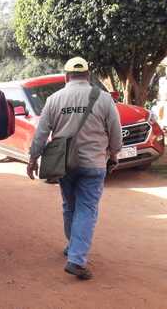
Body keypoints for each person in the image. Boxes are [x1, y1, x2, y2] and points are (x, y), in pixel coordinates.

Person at [27, 57, 122, 280]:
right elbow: (115, 132)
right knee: (87, 209)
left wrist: (33, 159)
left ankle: (73, 247)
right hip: (94, 163)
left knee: (70, 205)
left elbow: (41, 134)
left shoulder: (54, 99)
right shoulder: (103, 98)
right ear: (88, 75)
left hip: (64, 164)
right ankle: (77, 259)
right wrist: (115, 153)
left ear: (67, 76)